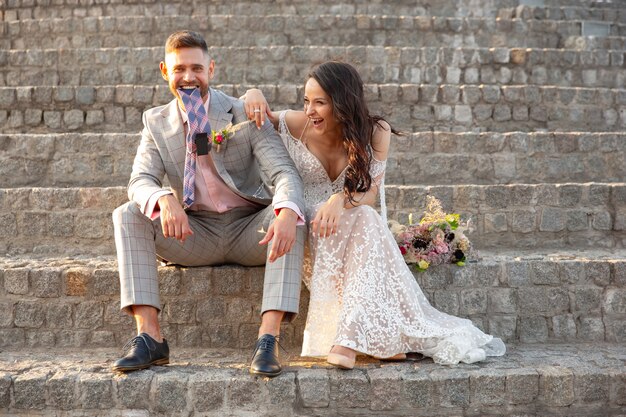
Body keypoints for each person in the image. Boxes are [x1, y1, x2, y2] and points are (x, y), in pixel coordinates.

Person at [243, 61, 506, 369]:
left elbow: (369, 195)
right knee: (361, 221)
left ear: (342, 102)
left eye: (319, 102)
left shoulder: (376, 131)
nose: (310, 110)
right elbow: (257, 112)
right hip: (311, 227)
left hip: (349, 219)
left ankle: (348, 340)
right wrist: (253, 91)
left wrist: (340, 200)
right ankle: (369, 340)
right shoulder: (296, 123)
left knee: (366, 218)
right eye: (306, 101)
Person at [111, 30, 306, 378]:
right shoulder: (155, 122)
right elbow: (139, 180)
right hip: (194, 232)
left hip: (250, 230)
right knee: (128, 214)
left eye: (197, 68)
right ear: (164, 71)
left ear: (211, 69)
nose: (188, 77)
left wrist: (287, 210)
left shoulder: (244, 111)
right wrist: (163, 197)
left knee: (288, 212)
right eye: (179, 69)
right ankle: (150, 337)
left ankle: (268, 339)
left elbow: (284, 173)